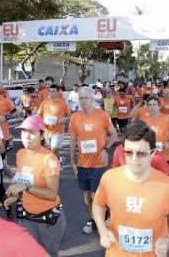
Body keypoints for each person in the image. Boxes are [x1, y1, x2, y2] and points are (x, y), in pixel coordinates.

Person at [93, 120, 169, 257]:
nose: (134, 159)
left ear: (153, 153)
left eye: (141, 153)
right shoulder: (108, 179)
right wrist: (102, 230)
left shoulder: (168, 186)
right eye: (128, 152)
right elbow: (98, 205)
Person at [4, 116, 66, 256]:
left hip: (48, 221)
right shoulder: (21, 154)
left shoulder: (49, 159)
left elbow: (52, 194)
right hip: (26, 217)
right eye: (24, 131)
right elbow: (22, 182)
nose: (27, 136)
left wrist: (26, 187)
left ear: (42, 135)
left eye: (32, 133)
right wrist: (16, 196)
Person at [69, 86, 117, 234]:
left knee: (94, 194)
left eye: (87, 98)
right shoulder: (75, 117)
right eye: (81, 98)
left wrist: (106, 149)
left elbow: (114, 135)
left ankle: (99, 219)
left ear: (92, 99)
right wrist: (72, 162)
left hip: (98, 162)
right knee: (86, 196)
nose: (84, 101)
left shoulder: (102, 115)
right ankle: (93, 218)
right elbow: (72, 141)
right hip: (83, 162)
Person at [141, 96, 169, 163]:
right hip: (149, 157)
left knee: (164, 174)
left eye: (154, 105)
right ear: (147, 107)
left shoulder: (167, 119)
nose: (152, 107)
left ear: (159, 106)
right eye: (150, 105)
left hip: (164, 156)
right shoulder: (143, 121)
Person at [37, 84, 70, 159]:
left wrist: (65, 119)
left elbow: (69, 115)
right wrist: (40, 124)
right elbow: (39, 114)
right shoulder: (44, 102)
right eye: (50, 91)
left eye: (54, 91)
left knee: (53, 152)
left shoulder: (63, 103)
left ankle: (53, 167)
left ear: (58, 92)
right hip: (46, 131)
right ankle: (59, 161)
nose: (51, 93)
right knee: (53, 153)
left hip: (58, 132)